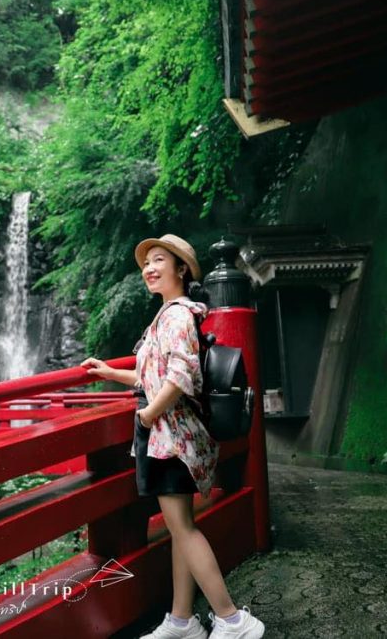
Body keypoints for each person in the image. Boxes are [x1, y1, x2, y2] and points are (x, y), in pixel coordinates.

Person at [81, 234, 265, 639]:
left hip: (172, 438)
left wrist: (148, 413)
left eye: (158, 260)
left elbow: (180, 376)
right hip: (173, 437)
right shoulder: (169, 314)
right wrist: (111, 373)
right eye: (146, 262)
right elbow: (153, 375)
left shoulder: (178, 315)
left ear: (180, 268)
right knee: (181, 526)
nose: (149, 268)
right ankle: (182, 622)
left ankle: (234, 620)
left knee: (183, 528)